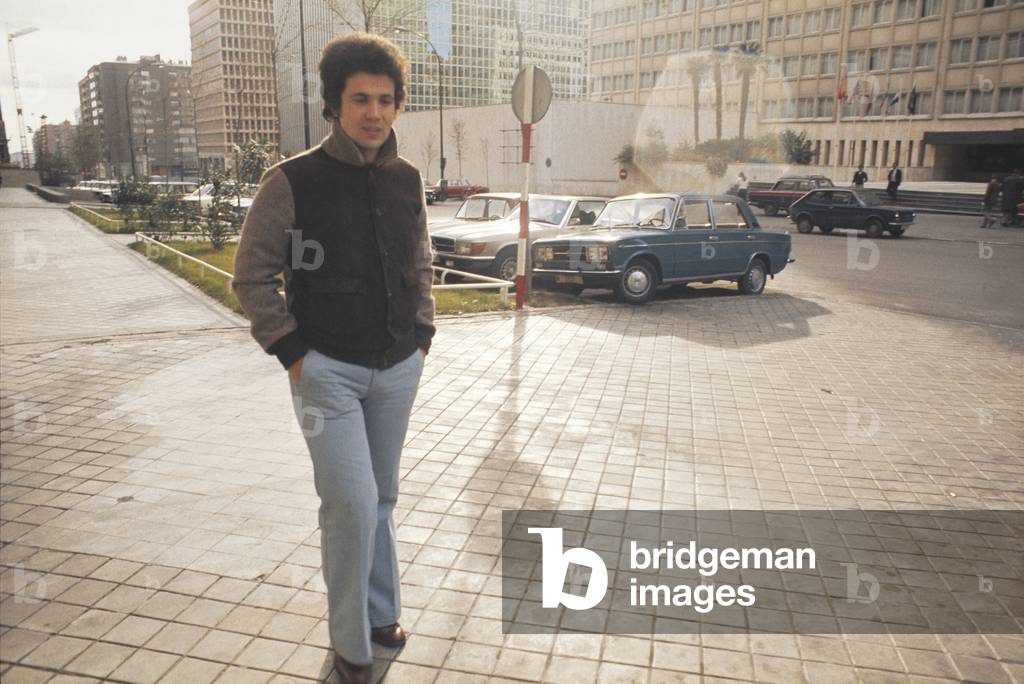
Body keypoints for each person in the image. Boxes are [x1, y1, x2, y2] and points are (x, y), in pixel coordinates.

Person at [231, 33, 434, 684]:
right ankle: (351, 645)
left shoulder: (406, 179)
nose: (374, 112)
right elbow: (250, 276)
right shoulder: (292, 180)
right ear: (333, 104)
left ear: (398, 104)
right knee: (350, 504)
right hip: (327, 373)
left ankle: (381, 614)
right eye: (360, 99)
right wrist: (294, 355)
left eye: (385, 99)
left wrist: (422, 334)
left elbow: (420, 263)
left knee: (382, 497)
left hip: (397, 365)